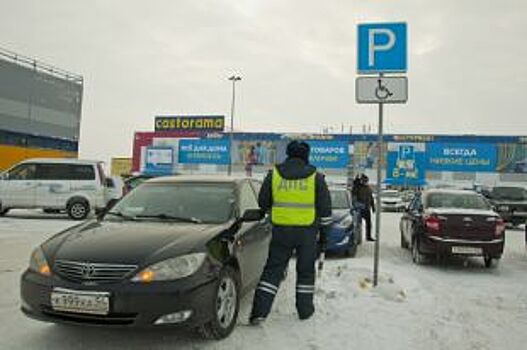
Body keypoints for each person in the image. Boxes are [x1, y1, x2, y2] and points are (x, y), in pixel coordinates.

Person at [249, 140, 332, 325]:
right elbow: (326, 210)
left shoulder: (274, 175)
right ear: (306, 156)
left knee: (273, 271)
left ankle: (259, 313)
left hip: (281, 231)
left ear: (288, 154)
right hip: (307, 233)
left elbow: (263, 202)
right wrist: (324, 237)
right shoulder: (316, 178)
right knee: (305, 272)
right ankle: (305, 311)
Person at [353, 173, 376, 242]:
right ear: (361, 180)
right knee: (358, 224)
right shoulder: (358, 187)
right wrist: (357, 179)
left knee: (369, 224)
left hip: (366, 208)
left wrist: (373, 207)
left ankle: (368, 236)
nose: (365, 182)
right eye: (364, 180)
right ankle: (356, 237)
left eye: (366, 180)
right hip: (359, 209)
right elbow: (355, 186)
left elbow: (371, 198)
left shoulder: (368, 188)